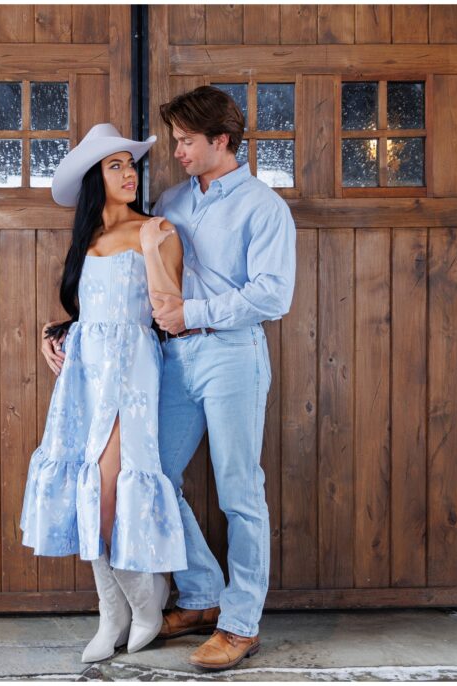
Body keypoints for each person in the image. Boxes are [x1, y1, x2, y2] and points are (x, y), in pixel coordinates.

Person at [22, 123, 188, 663]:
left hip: (134, 375)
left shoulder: (157, 228)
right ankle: (110, 613)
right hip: (86, 379)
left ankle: (144, 605)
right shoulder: (85, 241)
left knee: (110, 494)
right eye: (115, 166)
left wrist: (150, 247)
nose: (128, 173)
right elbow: (90, 314)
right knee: (85, 488)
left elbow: (169, 311)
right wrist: (56, 332)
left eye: (130, 164)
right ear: (96, 178)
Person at [150, 85, 297, 670]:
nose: (177, 150)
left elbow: (272, 295)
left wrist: (196, 314)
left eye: (187, 141)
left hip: (233, 354)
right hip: (174, 358)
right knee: (155, 474)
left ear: (222, 141)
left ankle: (240, 624)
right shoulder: (168, 201)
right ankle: (204, 593)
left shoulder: (264, 207)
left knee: (240, 492)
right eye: (175, 140)